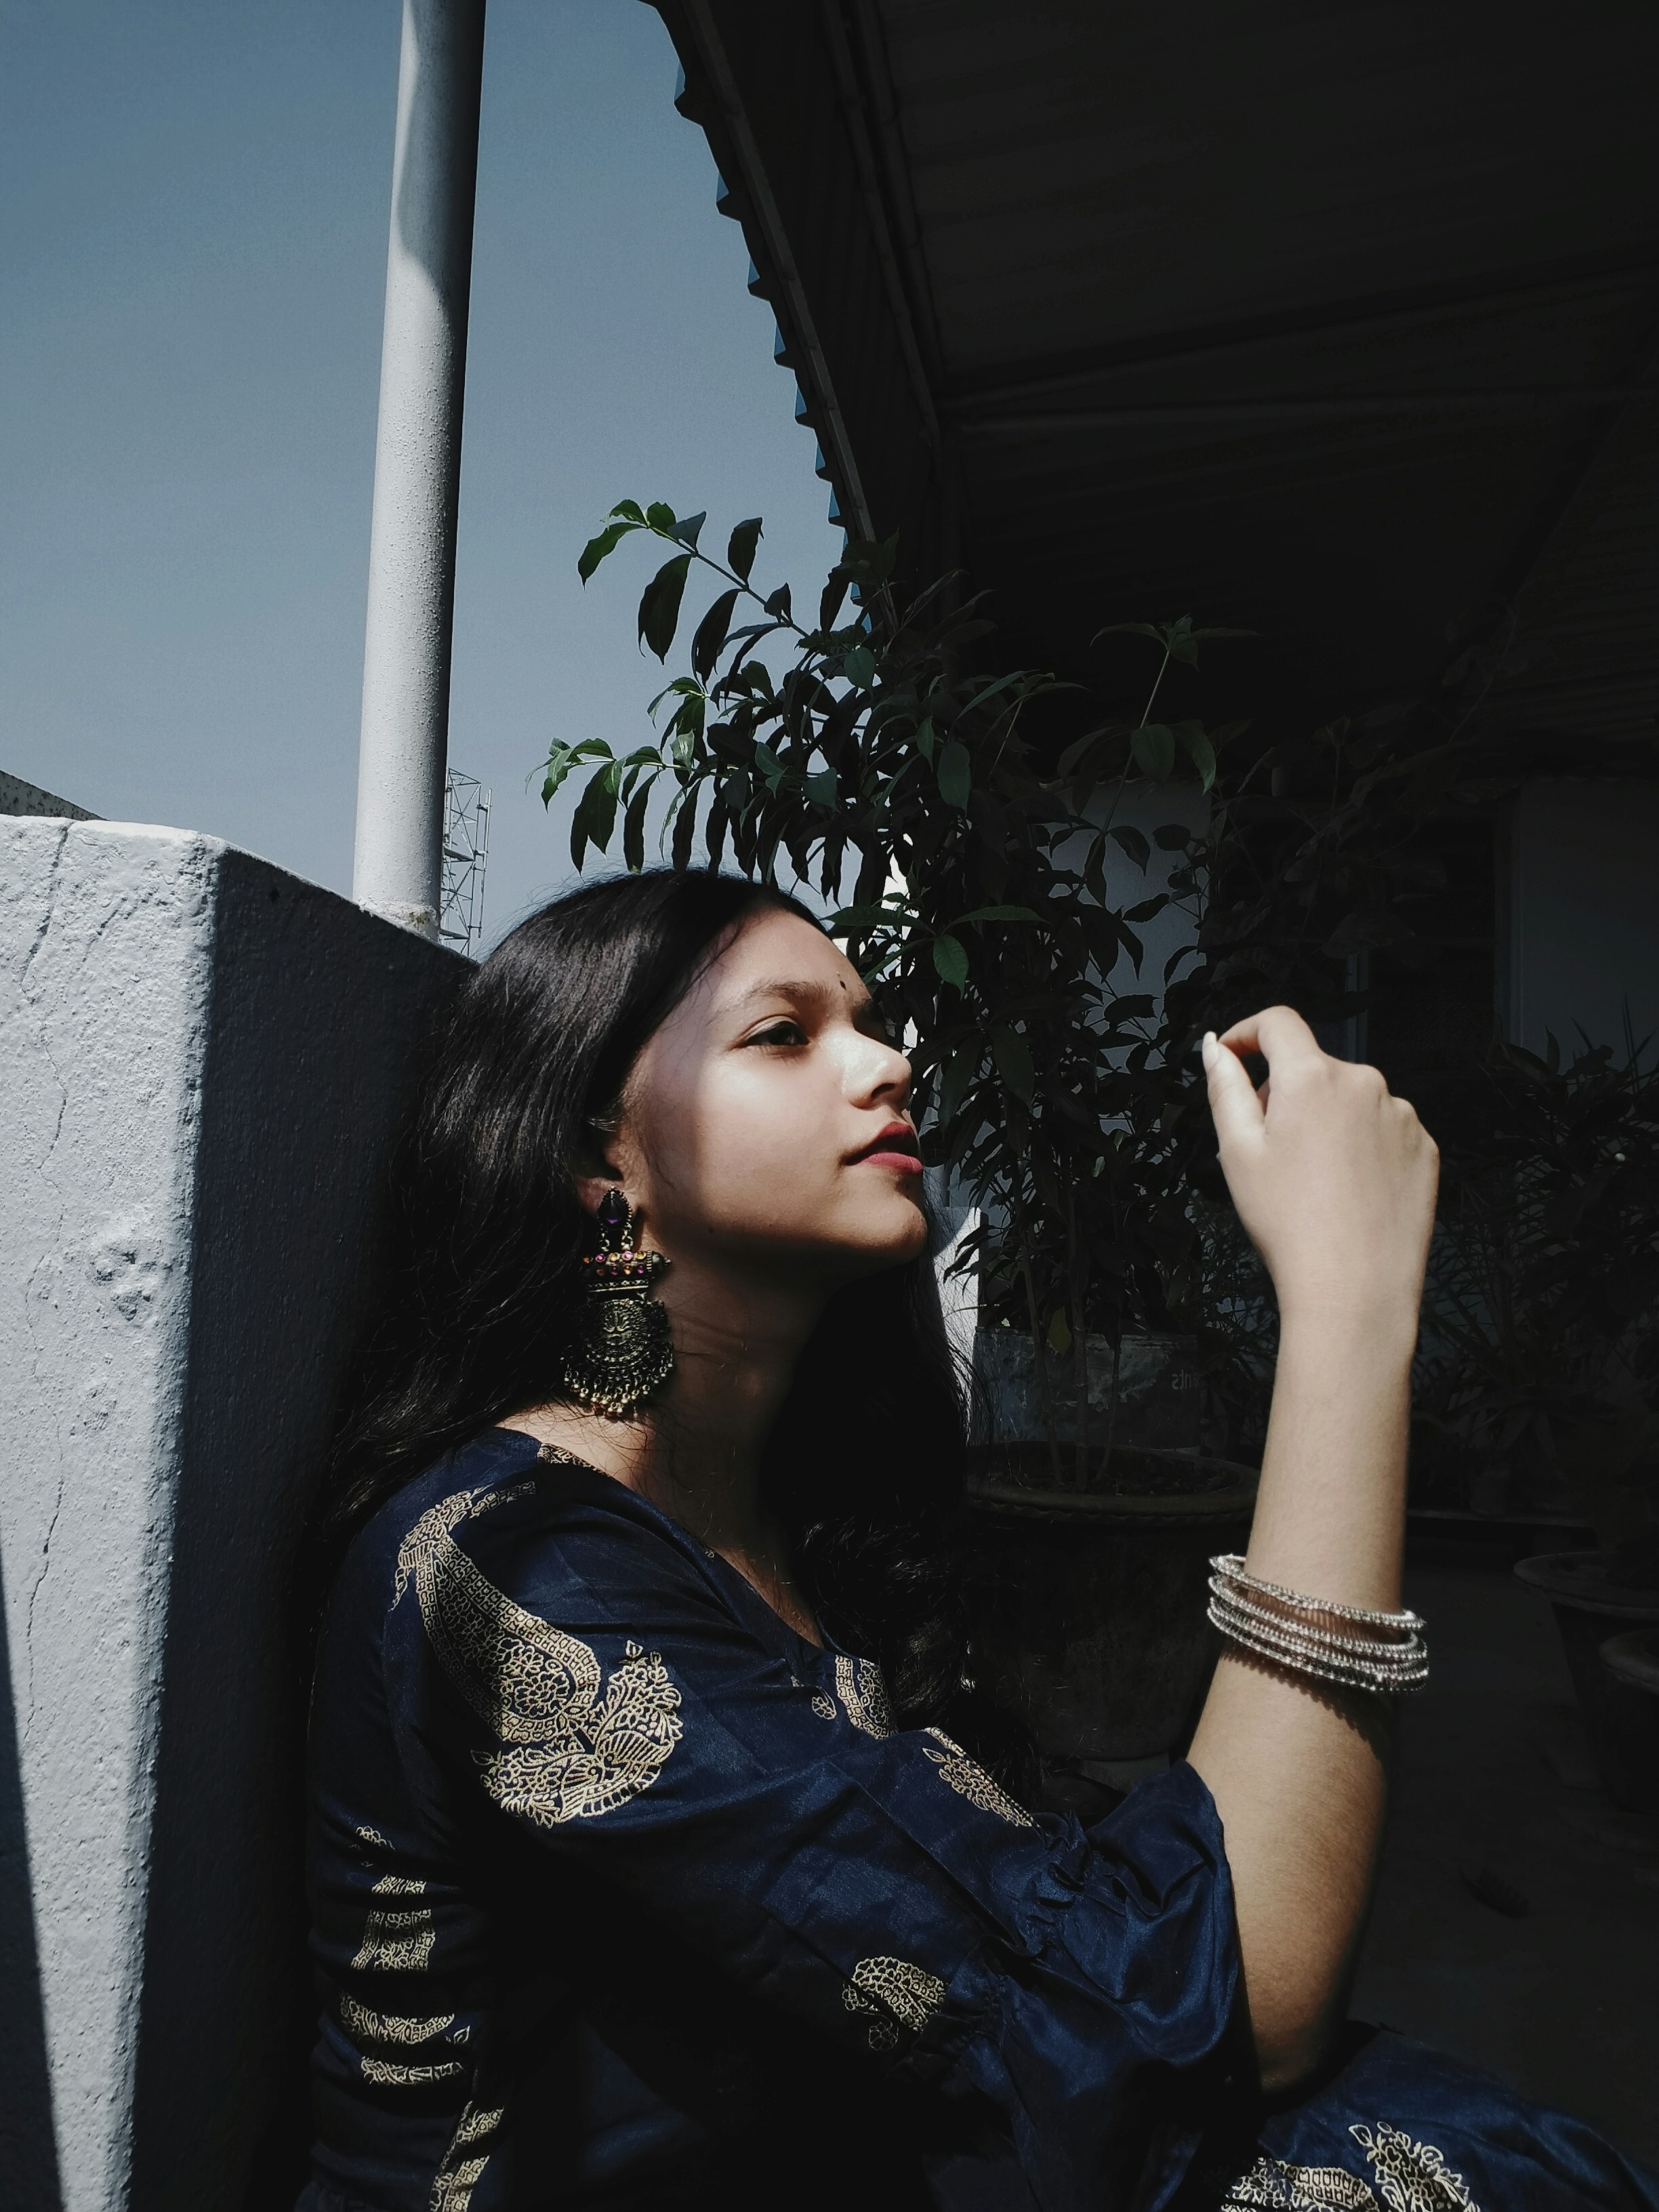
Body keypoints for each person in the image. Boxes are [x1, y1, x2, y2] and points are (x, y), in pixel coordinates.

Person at [298, 869, 1657, 2212]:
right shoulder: (515, 1570)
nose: (888, 1064)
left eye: (871, 1021)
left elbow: (1086, 1937)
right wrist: (1350, 1315)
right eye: (787, 1034)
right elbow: (1206, 2008)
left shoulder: (800, 1519)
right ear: (599, 1148)